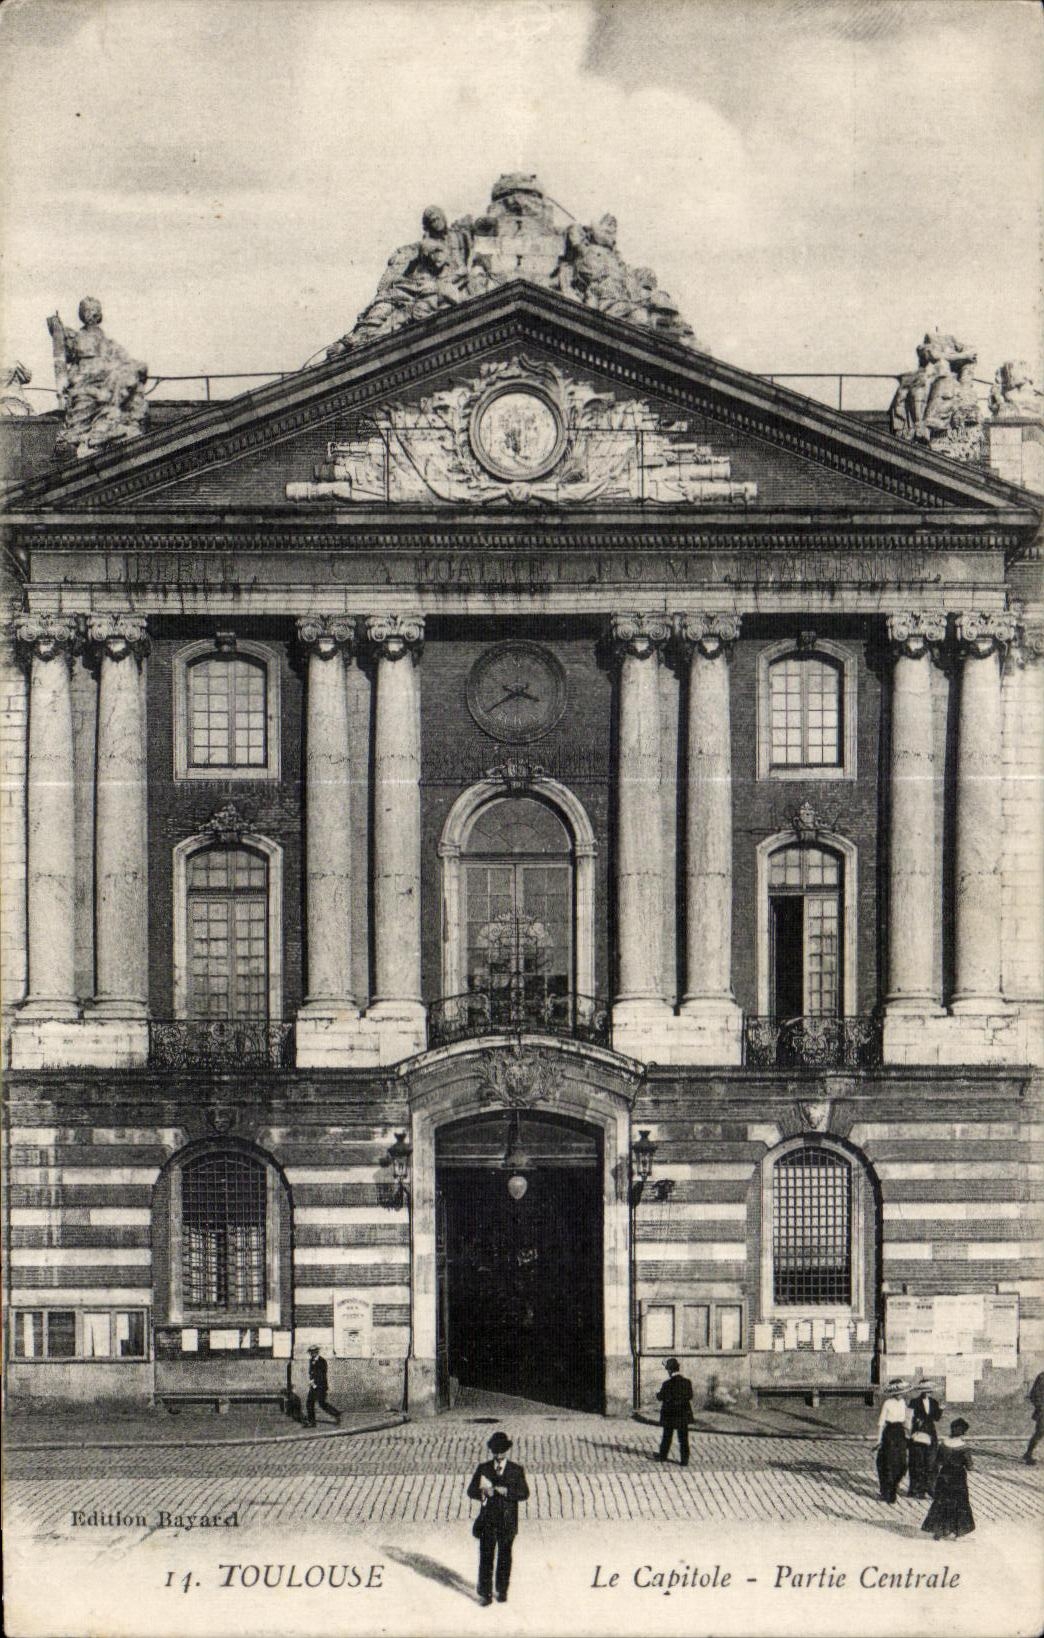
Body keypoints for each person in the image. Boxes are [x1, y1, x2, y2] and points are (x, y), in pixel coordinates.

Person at [467, 1431, 530, 1606]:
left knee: (504, 1556)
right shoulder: (484, 1468)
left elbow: (525, 1493)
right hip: (488, 1521)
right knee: (486, 1557)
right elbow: (471, 1491)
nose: (498, 1455)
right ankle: (485, 1593)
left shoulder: (516, 1470)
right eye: (495, 1452)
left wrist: (508, 1492)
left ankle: (502, 1590)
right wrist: (482, 1492)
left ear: (506, 1452)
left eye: (501, 1452)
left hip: (508, 1522)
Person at [922, 1418, 975, 1539]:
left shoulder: (943, 1443)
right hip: (958, 1478)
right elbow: (970, 1466)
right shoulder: (964, 1448)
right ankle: (957, 1532)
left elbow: (938, 1461)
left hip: (944, 1476)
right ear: (963, 1432)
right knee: (959, 1504)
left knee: (941, 1502)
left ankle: (938, 1532)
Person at [875, 1378, 910, 1503]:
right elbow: (881, 1422)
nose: (901, 1395)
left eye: (902, 1392)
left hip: (900, 1433)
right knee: (887, 1463)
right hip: (889, 1433)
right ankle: (886, 1492)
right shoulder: (887, 1403)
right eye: (898, 1392)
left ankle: (893, 1487)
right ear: (894, 1393)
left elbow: (906, 1420)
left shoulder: (903, 1403)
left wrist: (909, 1434)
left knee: (900, 1463)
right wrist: (878, 1440)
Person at [907, 1380, 943, 1498]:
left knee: (931, 1462)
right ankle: (917, 1489)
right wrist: (915, 1421)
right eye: (925, 1391)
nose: (928, 1393)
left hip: (931, 1433)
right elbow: (908, 1418)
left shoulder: (934, 1402)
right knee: (917, 1462)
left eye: (929, 1391)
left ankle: (930, 1487)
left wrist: (941, 1409)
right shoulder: (914, 1402)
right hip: (918, 1433)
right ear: (921, 1391)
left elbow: (936, 1418)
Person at [656, 1357, 694, 1467]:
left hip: (670, 1414)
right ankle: (684, 1460)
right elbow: (690, 1396)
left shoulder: (667, 1384)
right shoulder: (687, 1382)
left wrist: (658, 1395)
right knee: (683, 1438)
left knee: (667, 1436)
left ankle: (663, 1456)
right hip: (683, 1414)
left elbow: (661, 1397)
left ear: (670, 1371)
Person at [303, 1344, 341, 1427]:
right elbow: (311, 1372)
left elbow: (322, 1375)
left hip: (321, 1386)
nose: (312, 1354)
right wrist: (311, 1381)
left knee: (322, 1403)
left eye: (313, 1352)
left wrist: (315, 1383)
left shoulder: (322, 1361)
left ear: (317, 1352)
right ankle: (312, 1422)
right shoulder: (311, 1361)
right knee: (309, 1403)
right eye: (310, 1352)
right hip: (313, 1386)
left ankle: (336, 1414)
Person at [1023, 1370, 1044, 1464]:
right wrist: (1041, 1407)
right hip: (1043, 1412)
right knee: (1039, 1432)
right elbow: (1034, 1395)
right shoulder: (1042, 1377)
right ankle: (1028, 1454)